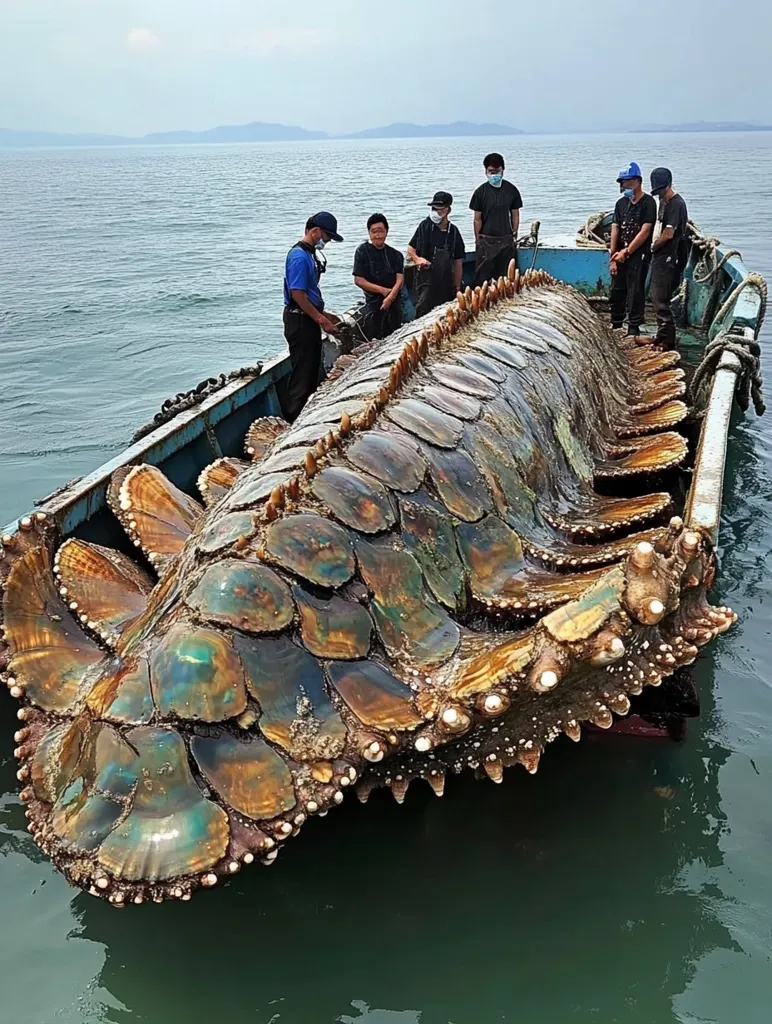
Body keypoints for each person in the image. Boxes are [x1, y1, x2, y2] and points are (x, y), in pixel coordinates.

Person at [282, 212, 343, 421]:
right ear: (315, 231)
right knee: (303, 374)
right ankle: (294, 419)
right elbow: (297, 294)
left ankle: (305, 417)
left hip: (307, 318)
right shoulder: (299, 256)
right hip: (299, 320)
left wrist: (324, 314)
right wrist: (321, 319)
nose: (327, 241)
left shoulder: (309, 254)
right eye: (327, 236)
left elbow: (309, 293)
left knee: (310, 371)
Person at [608, 161, 657, 337]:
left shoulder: (648, 203)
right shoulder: (620, 204)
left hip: (638, 253)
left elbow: (645, 231)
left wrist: (627, 251)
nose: (624, 185)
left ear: (637, 181)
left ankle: (633, 326)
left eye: (627, 181)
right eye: (622, 182)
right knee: (617, 289)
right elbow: (615, 228)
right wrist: (613, 256)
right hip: (619, 253)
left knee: (635, 290)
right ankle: (616, 323)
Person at [407, 190, 466, 317]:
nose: (435, 212)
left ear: (448, 210)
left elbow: (458, 262)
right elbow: (410, 249)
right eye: (434, 208)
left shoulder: (453, 232)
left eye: (439, 209)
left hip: (445, 282)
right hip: (425, 282)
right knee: (423, 311)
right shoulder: (425, 226)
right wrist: (417, 259)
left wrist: (457, 288)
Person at [649, 167, 689, 350]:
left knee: (661, 299)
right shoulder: (664, 201)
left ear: (669, 184)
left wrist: (653, 246)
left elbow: (668, 233)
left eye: (661, 190)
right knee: (657, 297)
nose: (659, 194)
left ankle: (666, 341)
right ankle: (661, 336)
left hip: (669, 257)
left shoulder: (675, 204)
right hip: (662, 255)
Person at [469, 153, 523, 285]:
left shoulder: (512, 190)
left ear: (503, 170)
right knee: (483, 278)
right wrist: (478, 239)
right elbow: (477, 219)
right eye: (491, 171)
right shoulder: (480, 192)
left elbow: (515, 214)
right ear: (486, 171)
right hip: (486, 240)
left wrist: (514, 233)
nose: (494, 174)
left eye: (497, 171)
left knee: (506, 278)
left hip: (506, 239)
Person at [352, 213, 405, 340]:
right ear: (369, 233)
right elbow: (358, 280)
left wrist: (390, 296)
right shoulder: (362, 251)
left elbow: (400, 278)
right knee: (376, 336)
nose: (378, 235)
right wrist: (382, 290)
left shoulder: (396, 254)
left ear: (387, 231)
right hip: (373, 302)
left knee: (396, 334)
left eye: (381, 231)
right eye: (374, 231)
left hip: (394, 300)